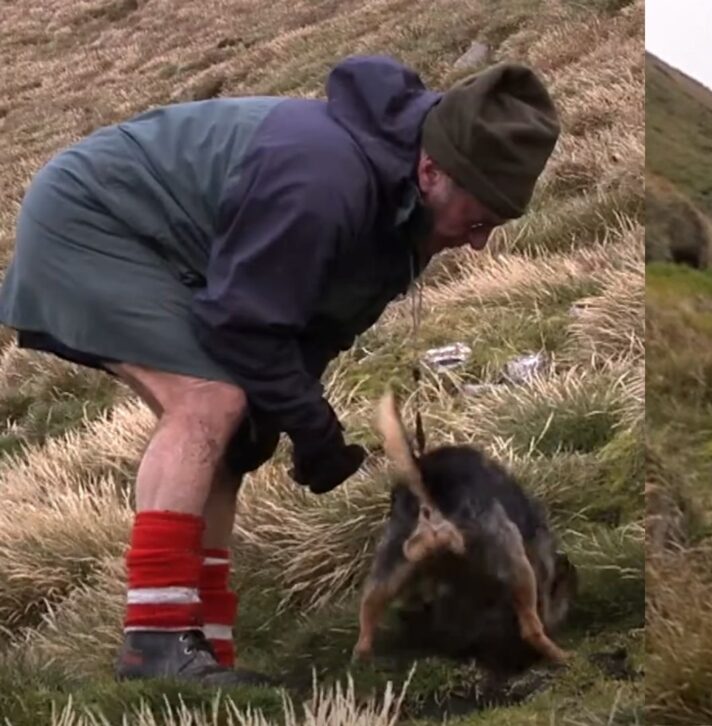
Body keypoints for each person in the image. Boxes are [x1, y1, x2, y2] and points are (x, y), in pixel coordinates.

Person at [0, 54, 561, 685]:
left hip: (181, 254)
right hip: (95, 221)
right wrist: (313, 427)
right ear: (431, 171)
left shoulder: (408, 214)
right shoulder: (324, 185)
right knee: (208, 402)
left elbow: (309, 324)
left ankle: (203, 652)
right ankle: (155, 645)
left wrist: (280, 415)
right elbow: (243, 325)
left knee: (236, 434)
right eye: (478, 220)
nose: (480, 242)